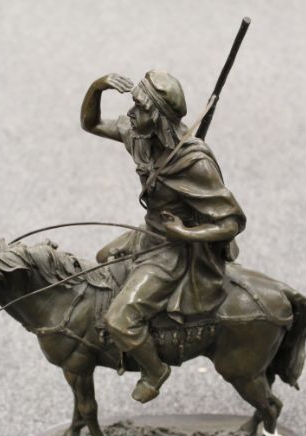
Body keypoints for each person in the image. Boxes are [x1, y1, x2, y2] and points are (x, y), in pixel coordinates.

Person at [81, 70, 246, 403]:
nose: (130, 114)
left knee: (119, 319)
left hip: (174, 250)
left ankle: (155, 370)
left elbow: (231, 222)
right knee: (101, 260)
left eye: (140, 109)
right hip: (149, 234)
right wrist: (97, 87)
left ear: (157, 117)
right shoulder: (140, 137)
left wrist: (185, 232)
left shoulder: (195, 164)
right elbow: (91, 123)